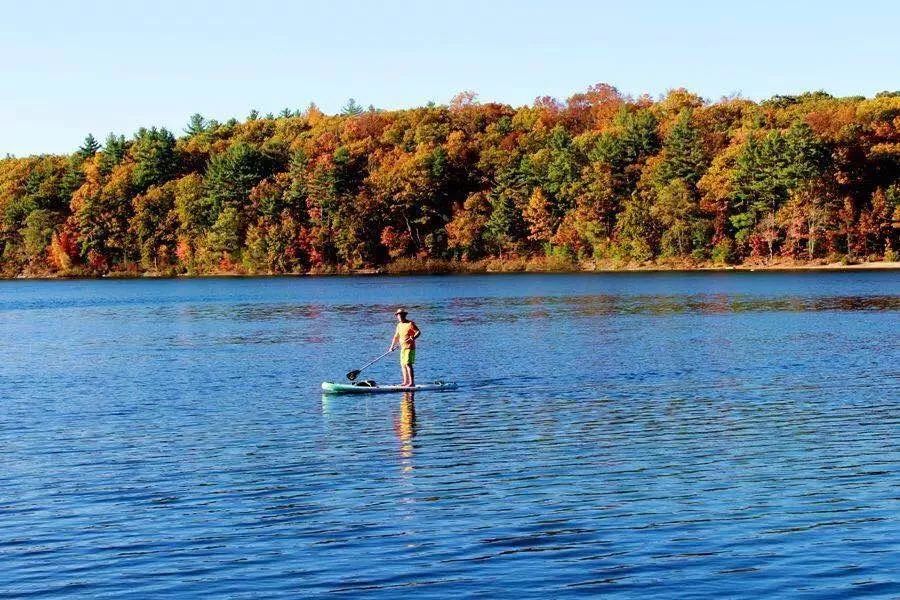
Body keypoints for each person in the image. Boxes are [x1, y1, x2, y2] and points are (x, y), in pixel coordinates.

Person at [389, 308, 420, 387]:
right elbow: (396, 337)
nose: (399, 317)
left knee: (408, 364)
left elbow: (418, 332)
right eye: (398, 315)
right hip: (402, 348)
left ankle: (412, 383)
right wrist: (391, 347)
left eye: (400, 315)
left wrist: (413, 337)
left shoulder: (410, 324)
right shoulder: (399, 325)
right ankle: (405, 382)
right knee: (403, 365)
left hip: (410, 347)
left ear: (404, 315)